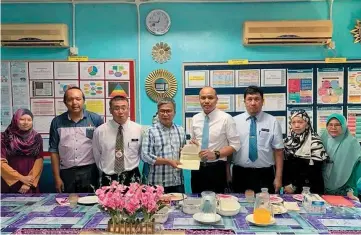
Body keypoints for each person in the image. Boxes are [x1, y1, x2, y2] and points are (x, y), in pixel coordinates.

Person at [49, 87, 104, 193]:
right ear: (65, 102)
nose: (74, 102)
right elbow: (54, 151)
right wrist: (57, 178)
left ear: (83, 101)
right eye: (70, 99)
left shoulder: (95, 119)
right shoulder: (57, 122)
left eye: (78, 99)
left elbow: (102, 148)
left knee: (91, 204)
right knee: (68, 205)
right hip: (66, 172)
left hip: (90, 171)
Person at [233, 86, 284, 193]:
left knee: (265, 207)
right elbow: (230, 149)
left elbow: (278, 151)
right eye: (249, 99)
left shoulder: (272, 121)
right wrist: (228, 174)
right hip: (240, 173)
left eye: (257, 99)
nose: (253, 103)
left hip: (265, 174)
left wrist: (278, 177)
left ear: (262, 101)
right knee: (239, 206)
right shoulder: (234, 122)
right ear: (244, 101)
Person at [190, 87, 241, 193]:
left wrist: (216, 154)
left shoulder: (226, 118)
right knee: (197, 201)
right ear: (199, 100)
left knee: (217, 203)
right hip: (197, 169)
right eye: (203, 98)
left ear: (216, 99)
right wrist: (192, 145)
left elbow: (235, 145)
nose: (206, 101)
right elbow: (194, 141)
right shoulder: (195, 118)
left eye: (210, 98)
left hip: (217, 168)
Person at [93, 96, 142, 186]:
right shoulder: (100, 131)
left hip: (132, 176)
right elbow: (97, 155)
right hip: (108, 177)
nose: (120, 112)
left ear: (128, 109)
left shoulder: (138, 129)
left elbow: (140, 152)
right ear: (110, 110)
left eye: (124, 108)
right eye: (116, 108)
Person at [141, 98, 186, 193]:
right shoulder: (150, 131)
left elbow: (184, 152)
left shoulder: (181, 130)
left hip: (177, 182)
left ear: (174, 112)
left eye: (168, 111)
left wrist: (192, 149)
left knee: (179, 207)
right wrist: (168, 162)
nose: (165, 114)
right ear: (158, 112)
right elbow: (145, 156)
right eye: (162, 111)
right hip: (157, 184)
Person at [283, 109, 328, 194]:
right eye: (293, 122)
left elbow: (315, 170)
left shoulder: (315, 141)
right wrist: (286, 184)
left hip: (311, 188)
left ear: (307, 124)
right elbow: (285, 166)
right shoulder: (287, 142)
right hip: (290, 189)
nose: (296, 125)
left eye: (300, 122)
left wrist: (295, 185)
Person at [1, 109, 43, 193]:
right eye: (22, 119)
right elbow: (1, 162)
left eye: (29, 120)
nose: (26, 122)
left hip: (30, 182)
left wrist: (28, 182)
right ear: (15, 120)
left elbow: (39, 160)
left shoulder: (36, 137)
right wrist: (20, 178)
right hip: (10, 181)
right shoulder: (4, 137)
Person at [322, 113, 361, 201]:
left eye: (337, 125)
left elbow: (355, 169)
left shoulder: (352, 143)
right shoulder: (322, 140)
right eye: (330, 124)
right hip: (322, 189)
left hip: (345, 191)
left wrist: (350, 189)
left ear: (343, 126)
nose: (333, 127)